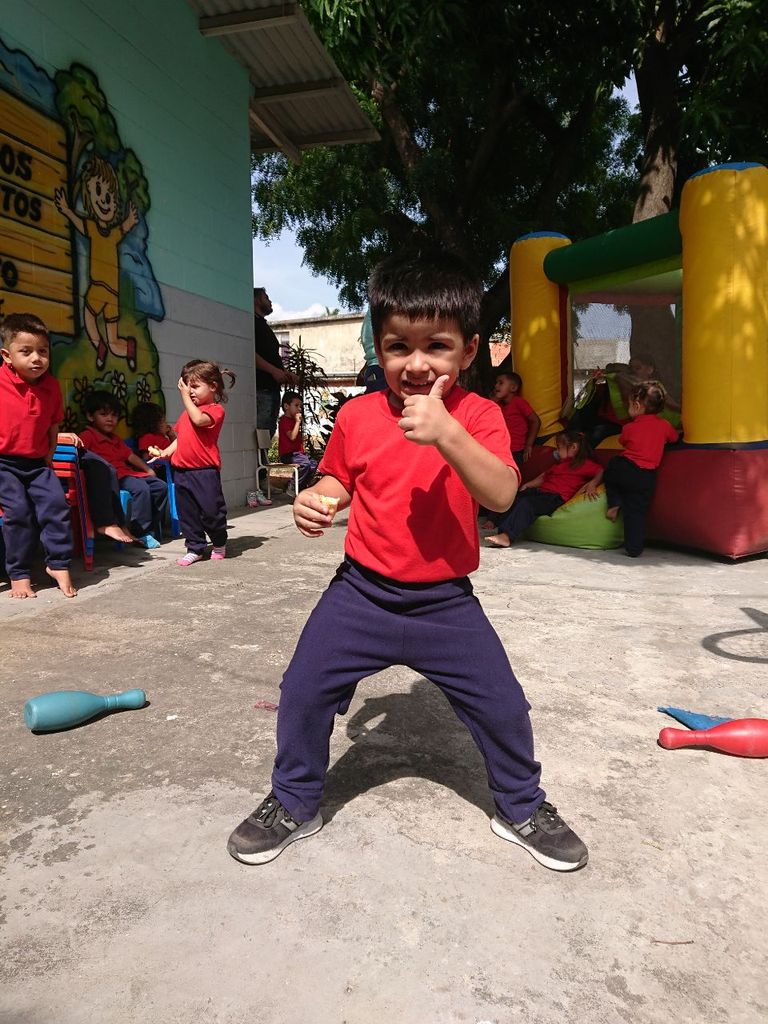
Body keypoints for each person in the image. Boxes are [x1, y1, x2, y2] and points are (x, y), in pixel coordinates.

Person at [228, 249, 588, 873]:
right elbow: (340, 478)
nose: (417, 365)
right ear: (379, 348)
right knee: (304, 692)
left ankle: (522, 805)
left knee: (503, 707)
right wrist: (317, 500)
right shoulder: (358, 415)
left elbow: (501, 494)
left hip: (445, 602)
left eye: (437, 347)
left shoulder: (479, 416)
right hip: (360, 594)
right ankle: (294, 800)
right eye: (399, 347)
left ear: (468, 351)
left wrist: (447, 432)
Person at [0, 312, 77, 598]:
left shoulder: (52, 386)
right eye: (26, 351)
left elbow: (53, 423)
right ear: (7, 356)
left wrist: (51, 452)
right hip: (3, 464)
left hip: (37, 463)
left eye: (42, 352)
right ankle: (18, 573)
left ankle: (58, 564)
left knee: (57, 506)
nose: (37, 358)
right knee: (18, 512)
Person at [148, 359, 235, 567]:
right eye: (188, 387)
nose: (191, 392)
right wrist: (164, 453)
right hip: (182, 471)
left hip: (204, 472)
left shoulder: (215, 410)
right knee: (188, 513)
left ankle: (219, 543)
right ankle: (195, 547)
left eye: (194, 386)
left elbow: (199, 421)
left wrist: (184, 396)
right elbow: (181, 438)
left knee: (212, 512)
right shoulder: (187, 413)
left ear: (213, 387)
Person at [485, 431, 603, 549]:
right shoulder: (559, 465)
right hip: (541, 492)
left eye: (559, 447)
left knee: (527, 505)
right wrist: (528, 485)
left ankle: (506, 536)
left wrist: (593, 483)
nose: (557, 451)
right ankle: (493, 520)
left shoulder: (585, 464)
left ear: (573, 447)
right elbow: (543, 477)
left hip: (555, 498)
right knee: (513, 497)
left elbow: (601, 471)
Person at [79, 391, 167, 548]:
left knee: (160, 486)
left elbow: (131, 456)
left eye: (113, 415)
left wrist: (148, 469)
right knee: (141, 488)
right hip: (113, 479)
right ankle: (141, 532)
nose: (110, 419)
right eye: (103, 414)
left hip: (129, 474)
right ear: (91, 417)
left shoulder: (115, 439)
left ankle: (149, 528)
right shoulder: (87, 436)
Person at [603, 380, 680, 558]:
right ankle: (634, 548)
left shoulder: (629, 427)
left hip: (626, 468)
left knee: (611, 469)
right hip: (646, 476)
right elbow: (674, 438)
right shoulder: (665, 426)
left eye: (629, 404)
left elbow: (623, 441)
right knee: (636, 513)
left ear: (637, 406)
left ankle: (614, 503)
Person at [253, 287, 298, 505]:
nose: (270, 301)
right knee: (262, 435)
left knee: (266, 434)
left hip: (270, 388)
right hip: (261, 388)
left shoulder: (262, 325)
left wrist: (282, 373)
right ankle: (259, 480)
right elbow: (250, 354)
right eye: (266, 297)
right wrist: (273, 371)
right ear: (255, 299)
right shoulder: (250, 323)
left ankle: (263, 479)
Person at [492, 370, 541, 470]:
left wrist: (529, 445)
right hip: (502, 449)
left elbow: (535, 421)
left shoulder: (518, 402)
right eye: (496, 383)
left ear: (513, 388)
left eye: (501, 383)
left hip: (516, 450)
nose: (496, 386)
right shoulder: (499, 405)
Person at [278, 390, 317, 492]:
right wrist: (298, 422)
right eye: (296, 406)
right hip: (288, 455)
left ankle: (301, 486)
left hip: (298, 454)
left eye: (300, 406)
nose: (299, 409)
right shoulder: (284, 420)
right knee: (305, 464)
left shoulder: (293, 421)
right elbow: (292, 437)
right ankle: (292, 486)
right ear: (286, 406)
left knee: (313, 465)